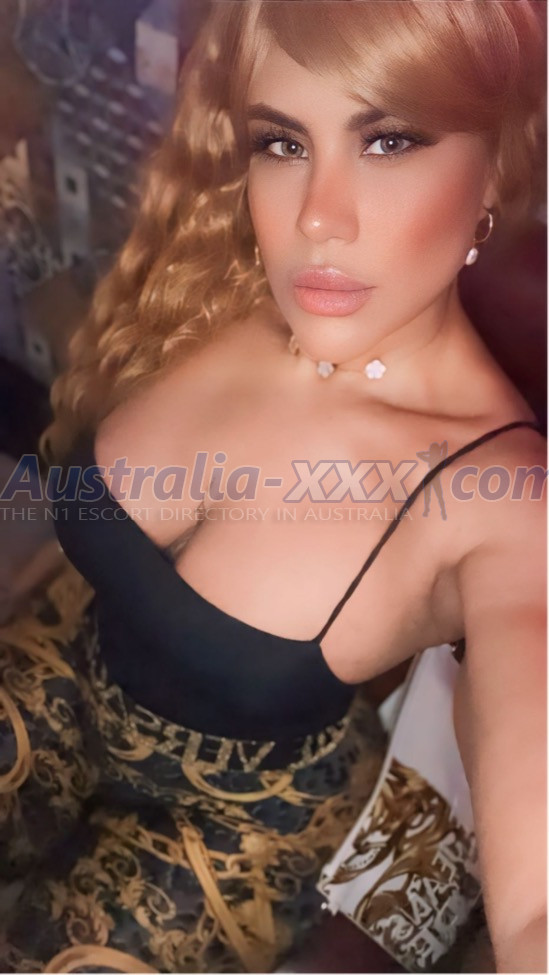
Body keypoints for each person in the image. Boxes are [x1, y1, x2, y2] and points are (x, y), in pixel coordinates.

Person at [0, 1, 546, 971]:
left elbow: (537, 905)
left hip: (233, 828)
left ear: (495, 166)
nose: (316, 217)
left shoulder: (501, 499)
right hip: (71, 663)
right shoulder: (217, 286)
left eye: (387, 140)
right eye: (283, 143)